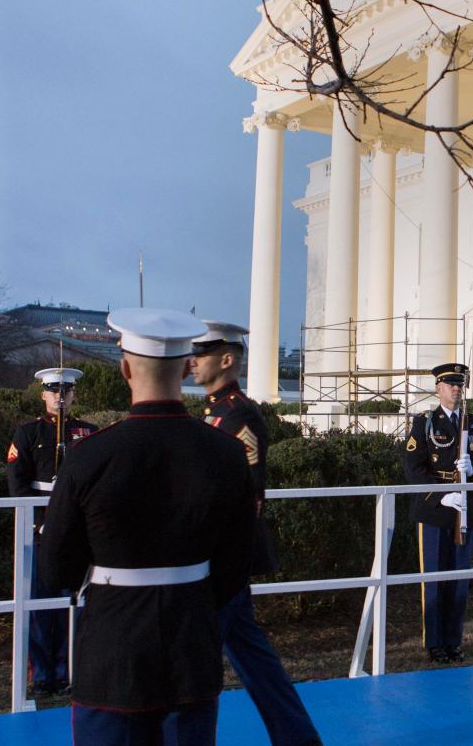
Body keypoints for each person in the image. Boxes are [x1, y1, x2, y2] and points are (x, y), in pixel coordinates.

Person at [39, 308, 256, 746]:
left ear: (124, 369)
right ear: (185, 366)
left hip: (111, 649)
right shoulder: (225, 453)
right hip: (191, 647)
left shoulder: (90, 455)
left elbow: (56, 569)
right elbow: (237, 565)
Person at [188, 319, 323, 746]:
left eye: (202, 354)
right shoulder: (214, 411)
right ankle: (298, 738)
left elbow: (246, 498)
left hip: (220, 564)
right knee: (253, 661)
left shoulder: (238, 414)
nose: (192, 362)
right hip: (219, 563)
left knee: (203, 665)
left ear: (226, 360)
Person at [6, 367, 97, 697]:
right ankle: (43, 675)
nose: (60, 396)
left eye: (66, 390)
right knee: (40, 604)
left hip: (76, 531)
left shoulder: (87, 433)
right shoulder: (28, 433)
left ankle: (67, 670)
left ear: (73, 395)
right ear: (43, 394)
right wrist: (36, 521)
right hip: (41, 527)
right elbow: (17, 481)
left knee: (73, 603)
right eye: (54, 390)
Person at [404, 362, 473, 663]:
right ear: (438, 388)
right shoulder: (425, 422)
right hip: (434, 509)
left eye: (460, 384)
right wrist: (442, 495)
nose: (456, 389)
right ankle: (434, 643)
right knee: (433, 577)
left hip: (466, 508)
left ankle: (454, 640)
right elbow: (413, 469)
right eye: (450, 384)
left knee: (459, 578)